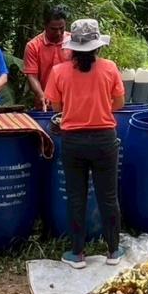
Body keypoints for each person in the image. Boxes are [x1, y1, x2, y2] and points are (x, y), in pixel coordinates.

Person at [44, 18, 125, 268]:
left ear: (73, 47)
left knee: (76, 197)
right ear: (98, 46)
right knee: (108, 196)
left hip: (73, 142)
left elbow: (57, 107)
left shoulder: (59, 72)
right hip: (104, 140)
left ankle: (77, 253)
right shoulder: (110, 68)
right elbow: (119, 104)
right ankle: (113, 251)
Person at [23, 4, 71, 111]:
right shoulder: (33, 46)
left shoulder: (73, 43)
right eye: (53, 29)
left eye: (62, 28)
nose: (58, 33)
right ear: (44, 25)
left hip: (71, 101)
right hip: (46, 103)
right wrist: (41, 94)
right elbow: (32, 76)